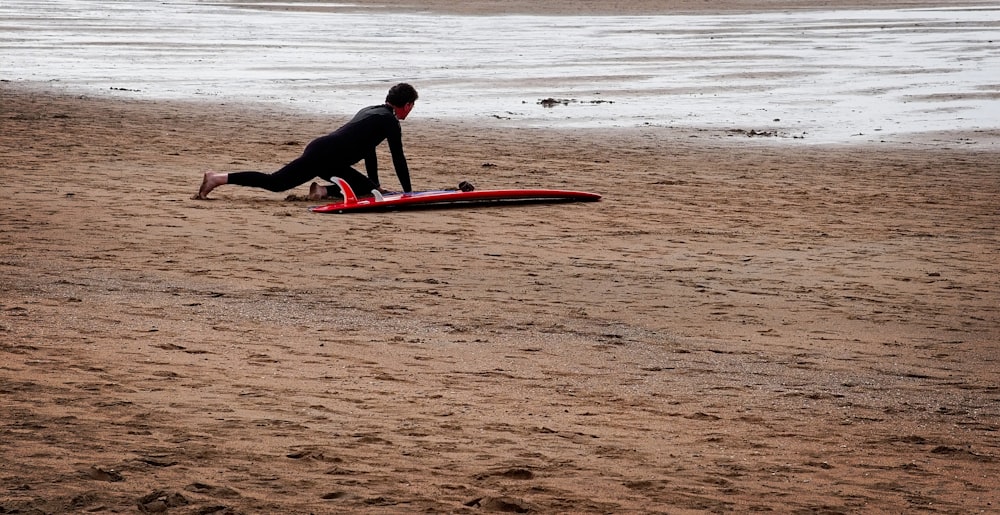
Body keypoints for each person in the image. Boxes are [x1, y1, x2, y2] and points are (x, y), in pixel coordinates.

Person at [194, 83, 418, 200]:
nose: (411, 110)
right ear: (407, 105)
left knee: (367, 188)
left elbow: (370, 149)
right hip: (325, 156)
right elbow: (398, 157)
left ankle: (321, 191)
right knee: (276, 183)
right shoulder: (389, 121)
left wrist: (374, 182)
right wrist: (408, 192)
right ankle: (217, 178)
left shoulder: (371, 111)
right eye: (412, 106)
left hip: (326, 153)